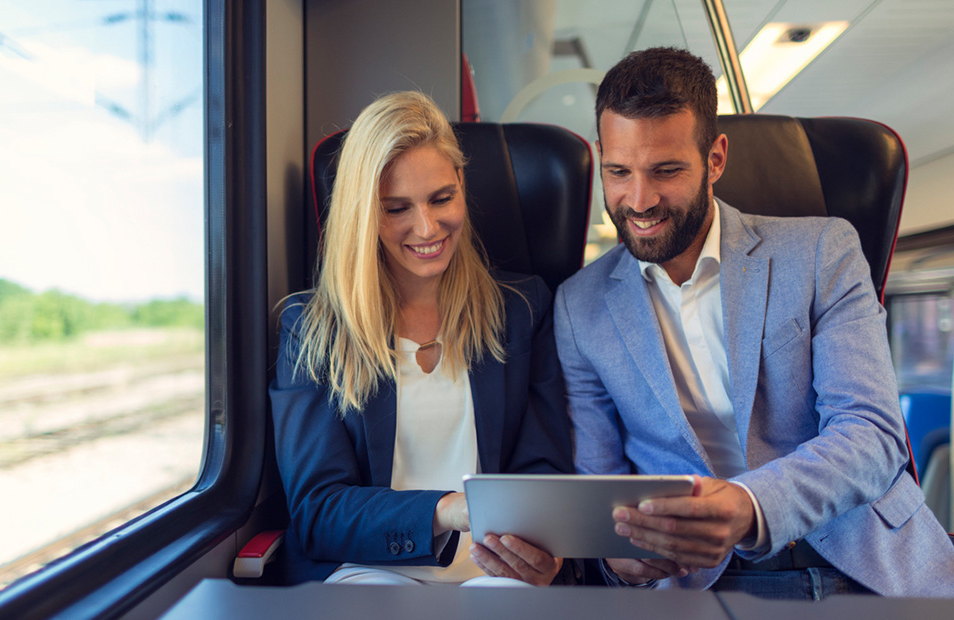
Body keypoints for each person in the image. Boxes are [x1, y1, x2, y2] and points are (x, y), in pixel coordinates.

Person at [553, 47, 954, 598]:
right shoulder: (580, 306)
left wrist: (748, 506)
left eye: (666, 171)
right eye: (619, 172)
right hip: (693, 582)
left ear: (715, 159)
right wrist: (617, 558)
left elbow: (872, 432)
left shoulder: (821, 251)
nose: (638, 200)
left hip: (859, 562)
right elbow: (601, 491)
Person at [269, 91, 574, 586]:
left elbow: (544, 471)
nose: (427, 227)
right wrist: (449, 509)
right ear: (363, 214)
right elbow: (319, 510)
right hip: (365, 567)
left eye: (441, 198)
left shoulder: (522, 310)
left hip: (494, 569)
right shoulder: (312, 328)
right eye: (396, 208)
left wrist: (548, 550)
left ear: (461, 188)